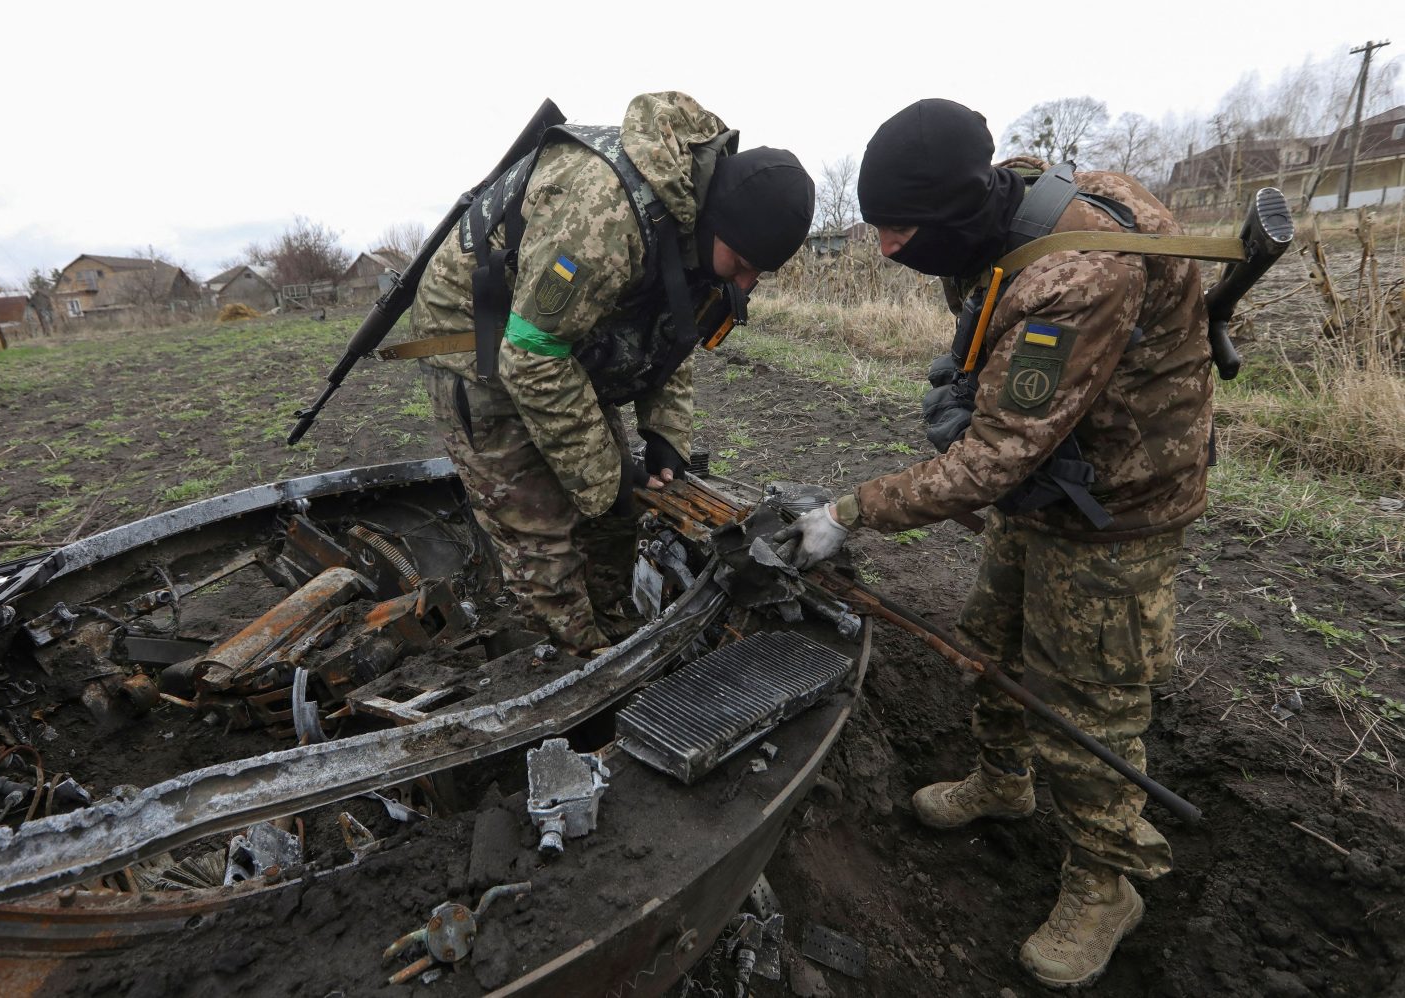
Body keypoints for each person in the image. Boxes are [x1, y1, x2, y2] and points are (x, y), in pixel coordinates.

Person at [774, 98, 1210, 988]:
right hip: (1054, 483)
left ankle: (1103, 884)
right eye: (879, 224)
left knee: (1089, 702)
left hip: (1117, 511)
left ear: (955, 210)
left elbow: (988, 464)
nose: (887, 247)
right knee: (990, 643)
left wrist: (850, 513)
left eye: (901, 229)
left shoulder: (1077, 273)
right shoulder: (1005, 216)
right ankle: (1002, 779)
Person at [410, 91, 814, 655]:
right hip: (476, 341)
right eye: (742, 265)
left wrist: (665, 436)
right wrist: (603, 472)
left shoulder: (694, 220)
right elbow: (530, 355)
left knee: (613, 512)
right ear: (715, 221)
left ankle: (617, 630)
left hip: (557, 340)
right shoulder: (601, 216)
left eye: (758, 274)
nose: (743, 283)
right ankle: (571, 667)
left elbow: (674, 330)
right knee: (545, 537)